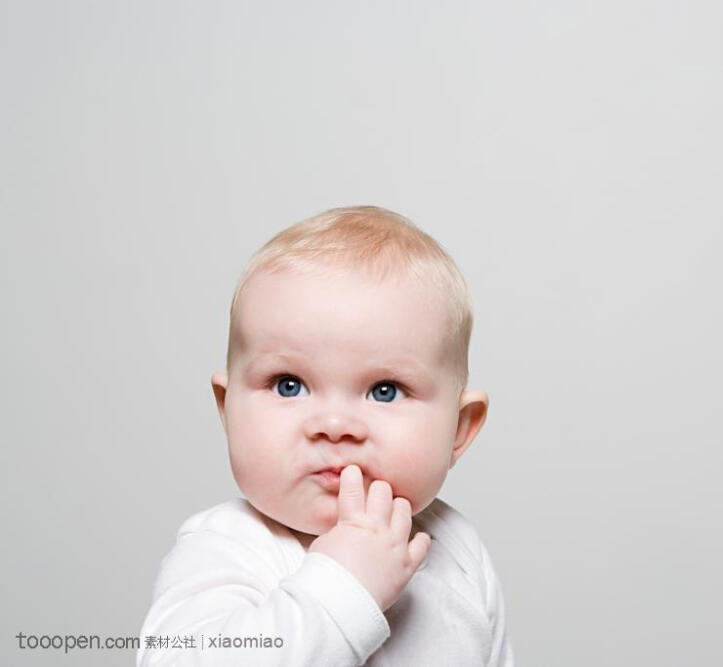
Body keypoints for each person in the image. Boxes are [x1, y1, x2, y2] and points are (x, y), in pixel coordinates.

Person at [137, 206, 514, 666]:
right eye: (288, 384)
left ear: (460, 429)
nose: (334, 426)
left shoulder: (457, 550)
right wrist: (344, 584)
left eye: (385, 390)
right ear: (227, 407)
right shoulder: (225, 550)